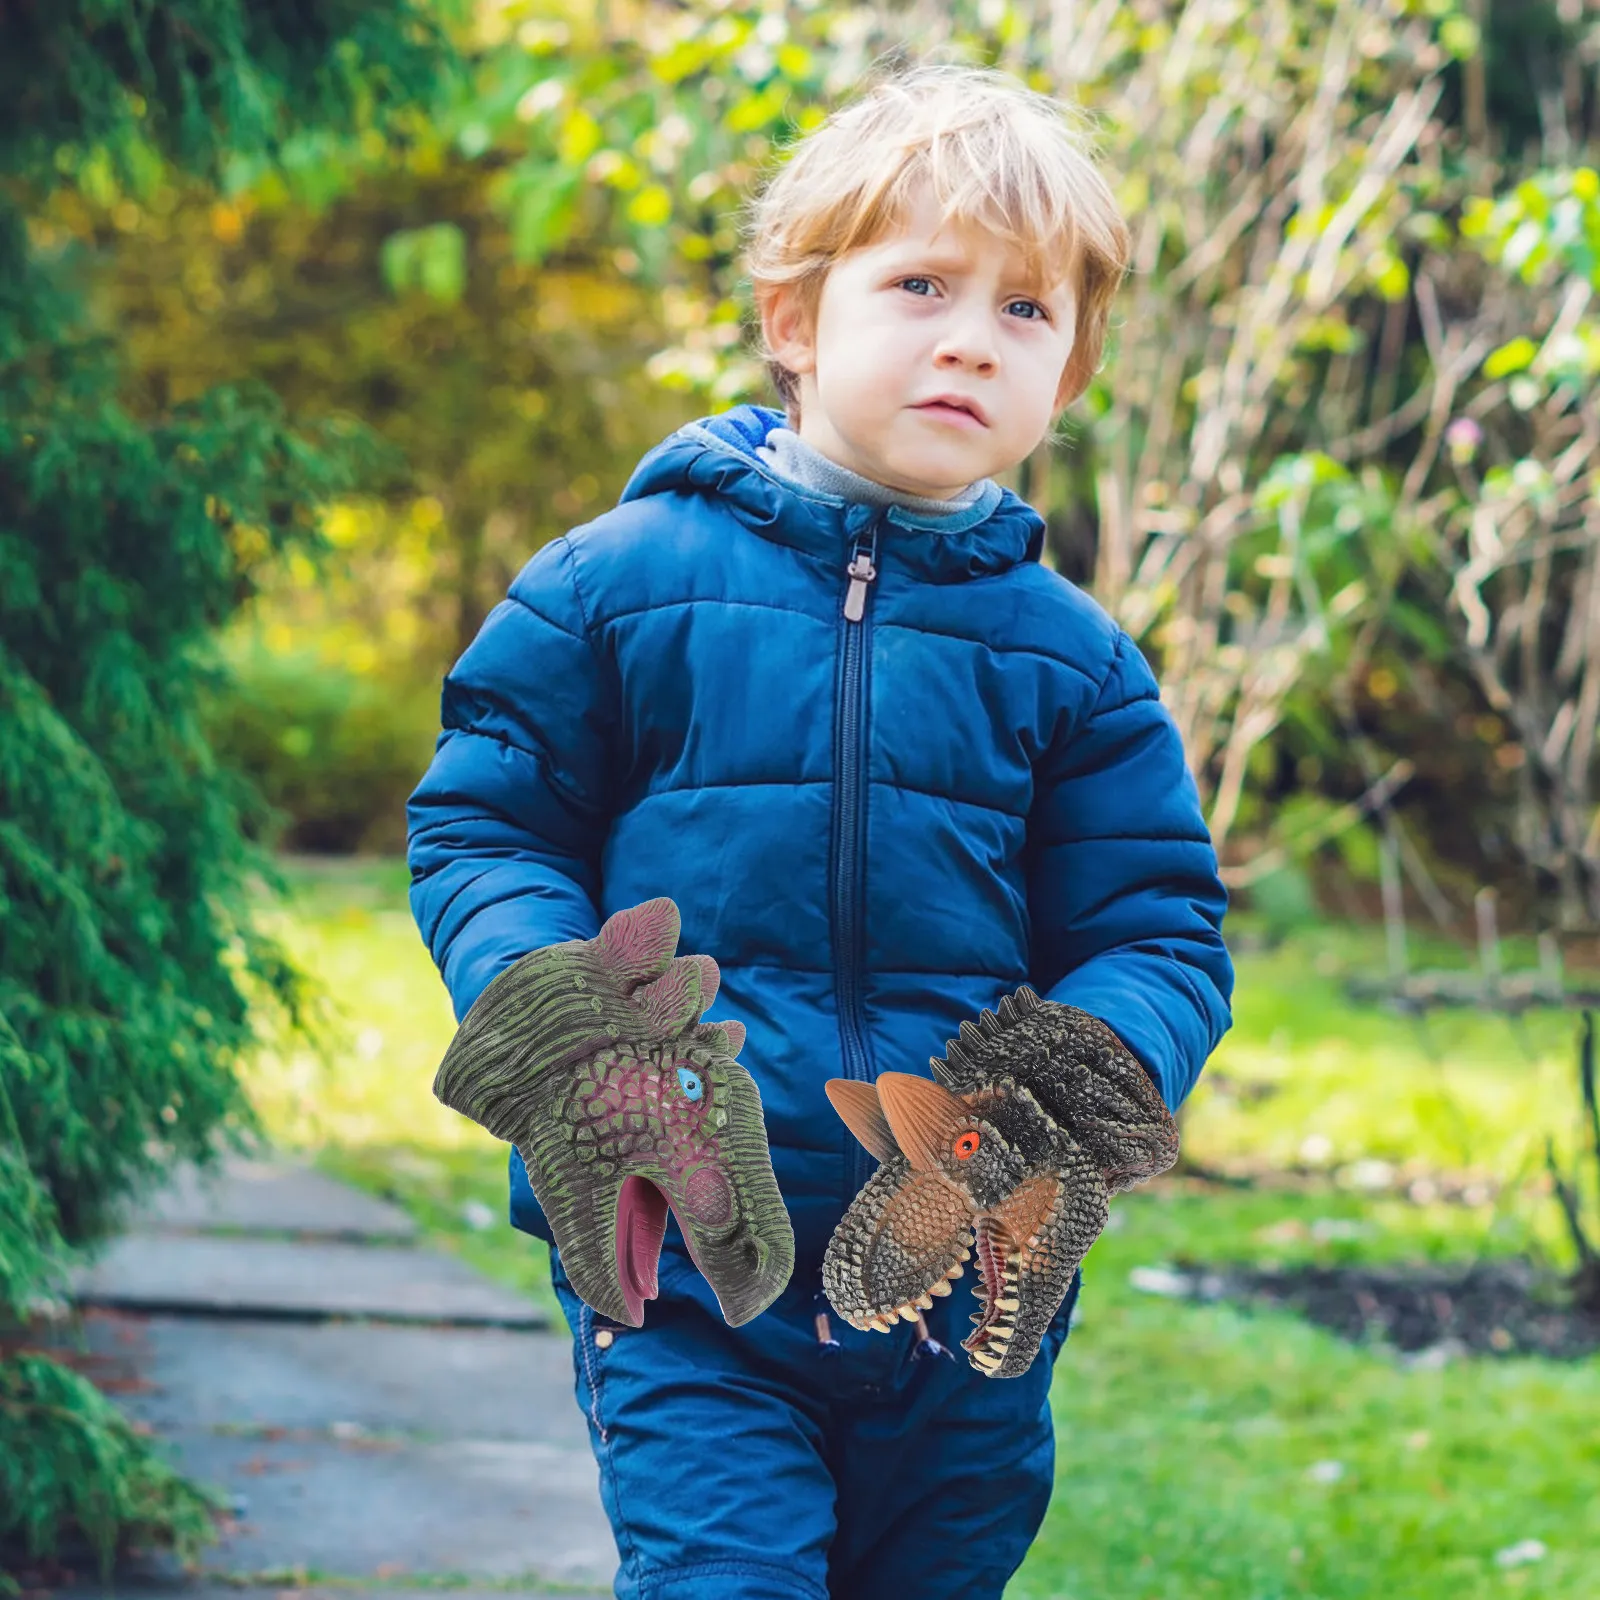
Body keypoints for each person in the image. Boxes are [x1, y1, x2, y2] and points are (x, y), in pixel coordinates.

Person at [407, 59, 1233, 1600]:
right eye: (921, 282)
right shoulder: (614, 587)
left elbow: (1155, 931)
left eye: (1025, 312)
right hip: (687, 1255)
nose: (969, 340)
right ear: (796, 321)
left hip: (967, 1277)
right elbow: (486, 832)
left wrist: (1063, 1093)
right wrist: (581, 1044)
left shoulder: (1077, 664)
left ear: (1070, 372)